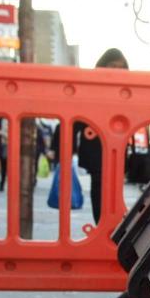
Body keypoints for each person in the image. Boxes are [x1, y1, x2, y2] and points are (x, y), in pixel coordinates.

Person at [51, 48, 128, 222]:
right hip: (96, 151)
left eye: (121, 67)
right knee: (99, 188)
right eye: (113, 66)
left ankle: (110, 225)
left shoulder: (126, 91)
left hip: (118, 150)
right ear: (102, 66)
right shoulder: (92, 89)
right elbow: (72, 118)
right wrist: (61, 151)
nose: (117, 70)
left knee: (115, 191)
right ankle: (101, 224)